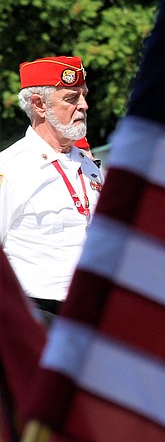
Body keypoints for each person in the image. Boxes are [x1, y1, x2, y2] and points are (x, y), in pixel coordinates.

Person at [0, 56, 103, 316]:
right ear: (39, 105)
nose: (84, 106)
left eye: (83, 95)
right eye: (71, 98)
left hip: (91, 313)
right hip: (36, 313)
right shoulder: (10, 168)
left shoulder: (89, 166)